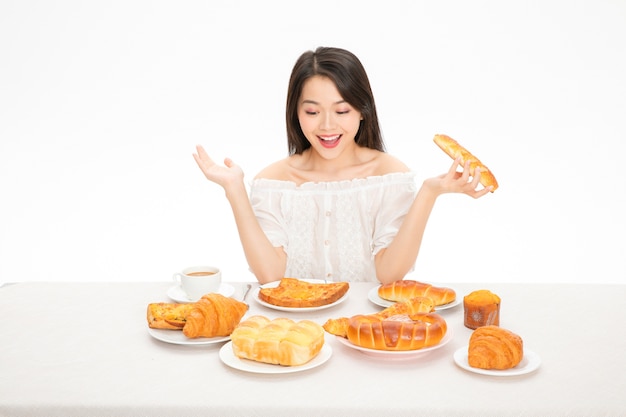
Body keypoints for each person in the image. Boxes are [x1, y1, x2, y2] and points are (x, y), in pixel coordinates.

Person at [193, 46, 492, 285]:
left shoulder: (389, 175)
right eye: (312, 111)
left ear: (363, 111)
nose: (327, 125)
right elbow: (270, 277)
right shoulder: (273, 181)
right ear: (295, 113)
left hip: (366, 335)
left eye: (342, 110)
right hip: (295, 334)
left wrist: (429, 192)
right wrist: (234, 190)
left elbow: (389, 276)